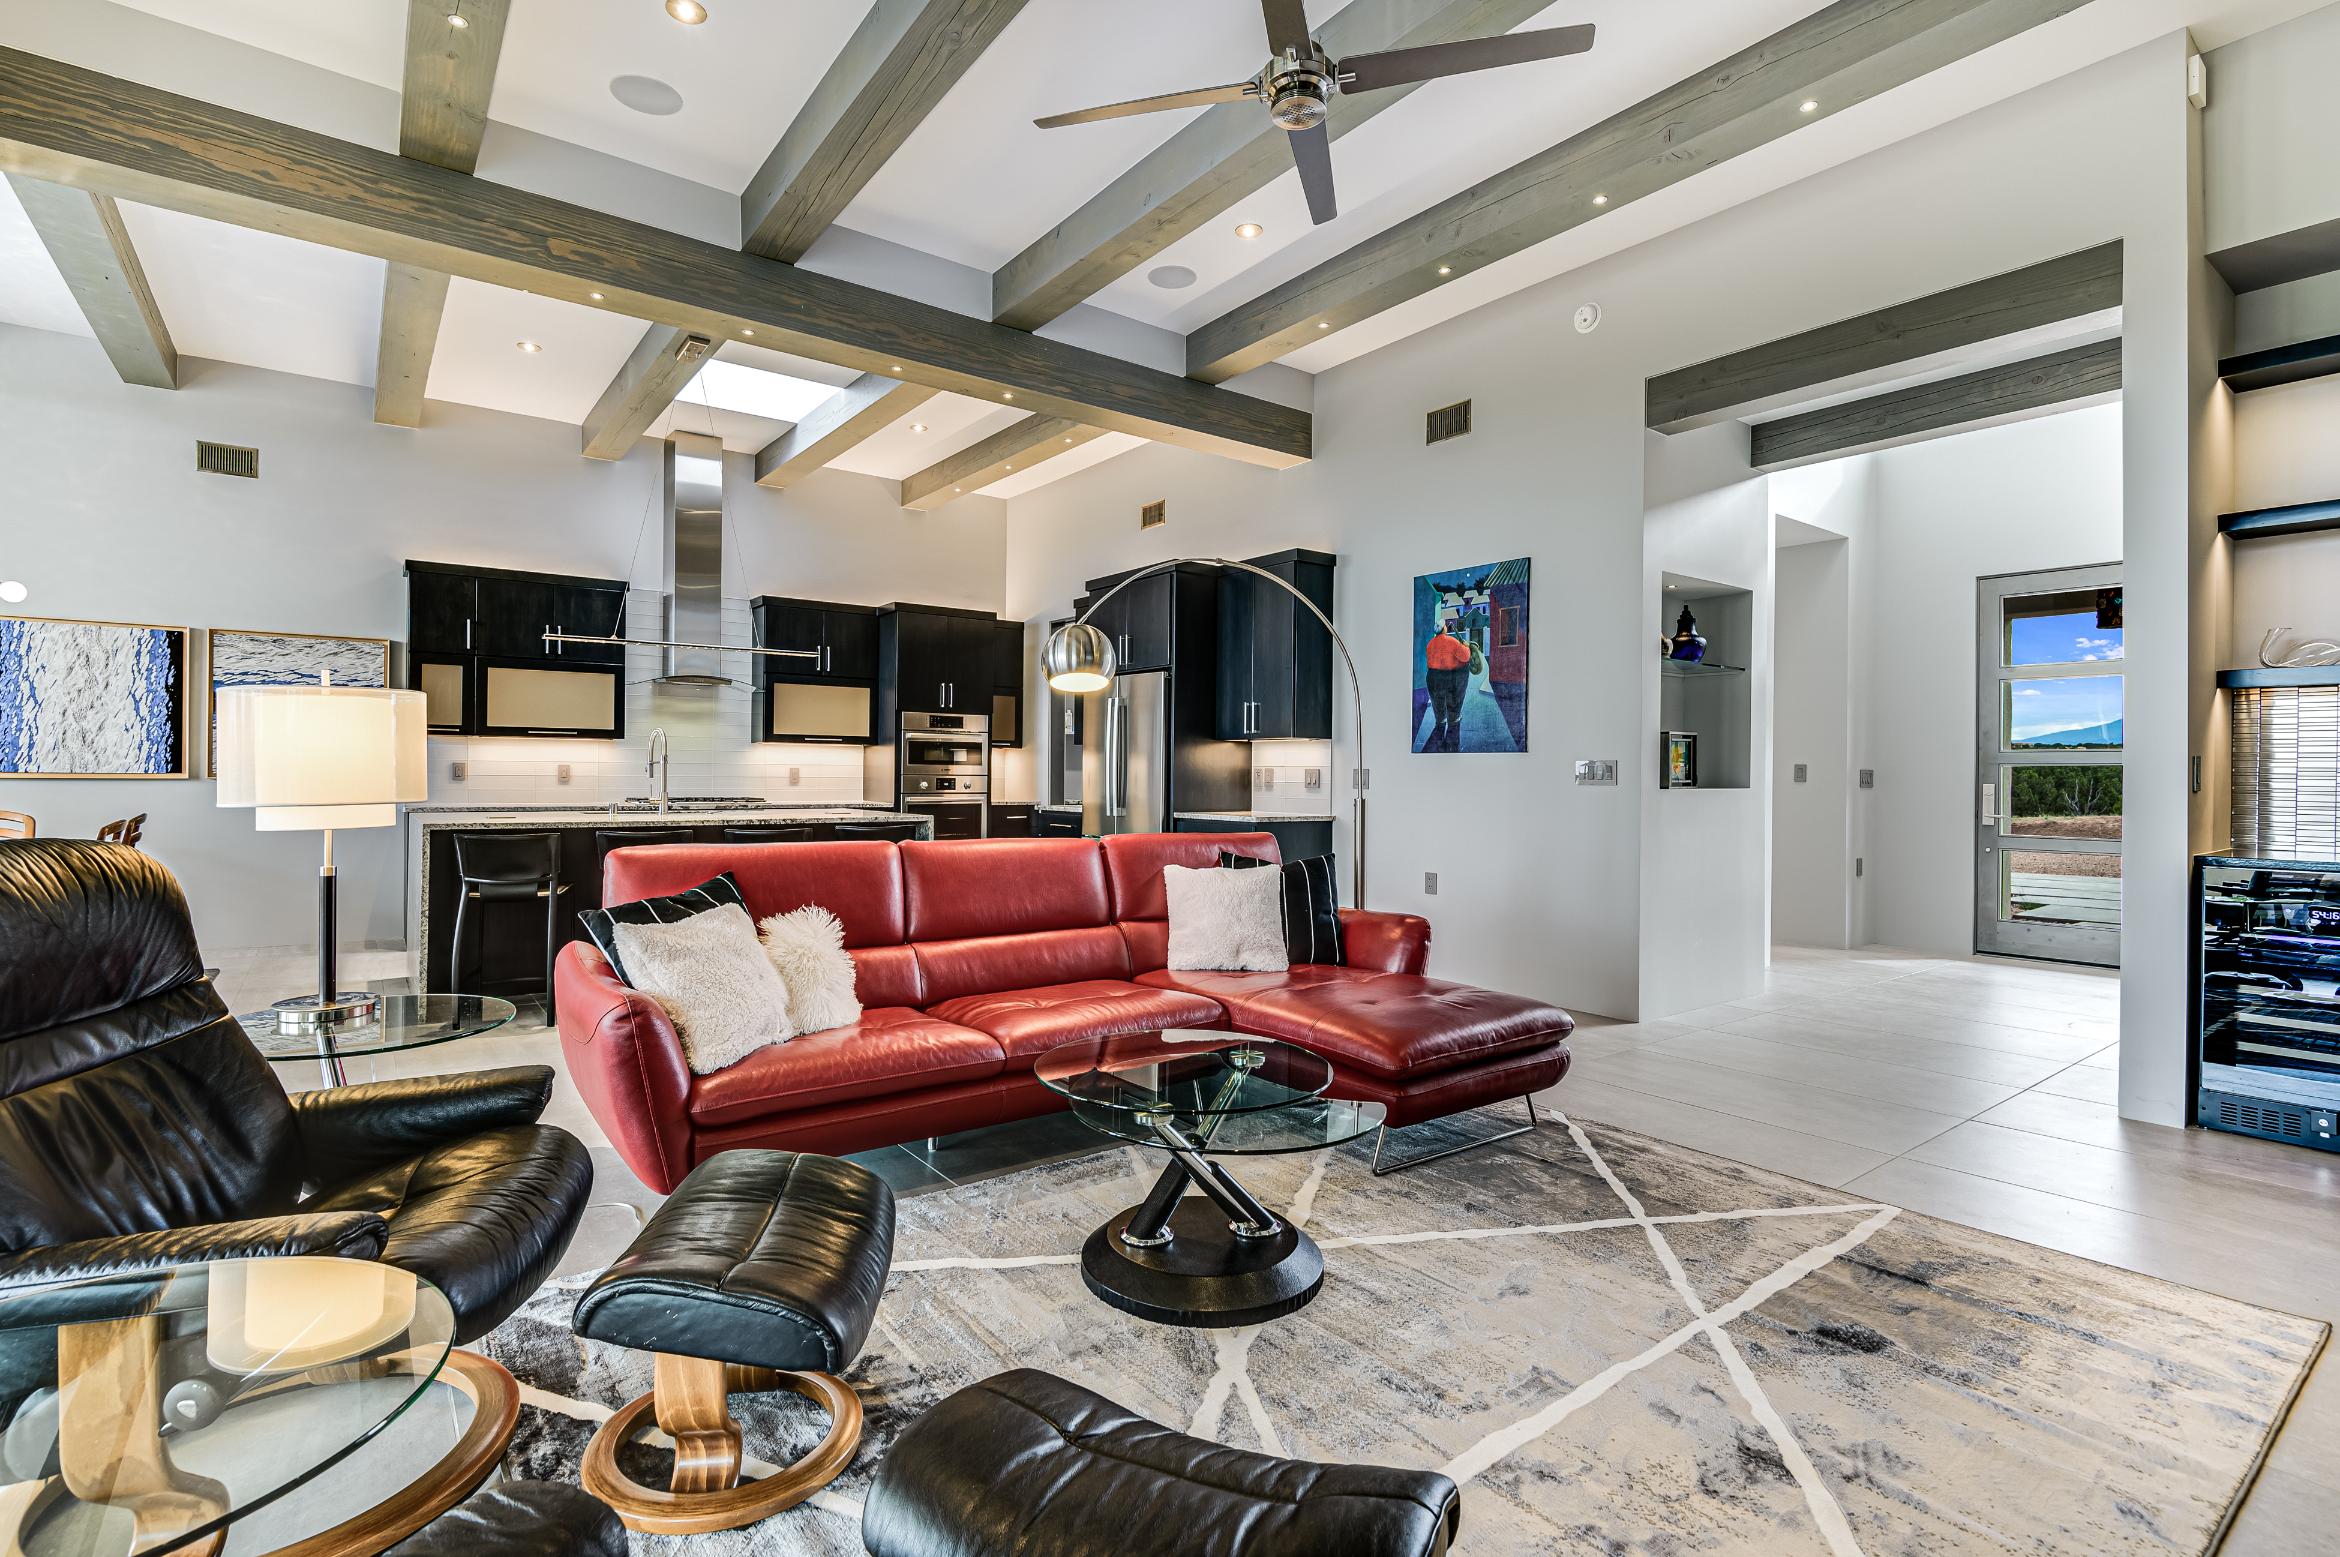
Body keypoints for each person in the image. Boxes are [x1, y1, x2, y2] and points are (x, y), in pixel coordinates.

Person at [1422, 624, 1473, 750]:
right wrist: (1466, 646)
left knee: (1437, 701)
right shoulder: (1452, 641)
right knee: (1454, 698)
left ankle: (1440, 720)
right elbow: (1465, 657)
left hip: (1433, 677)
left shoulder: (1430, 643)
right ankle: (1454, 718)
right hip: (1449, 678)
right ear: (1444, 629)